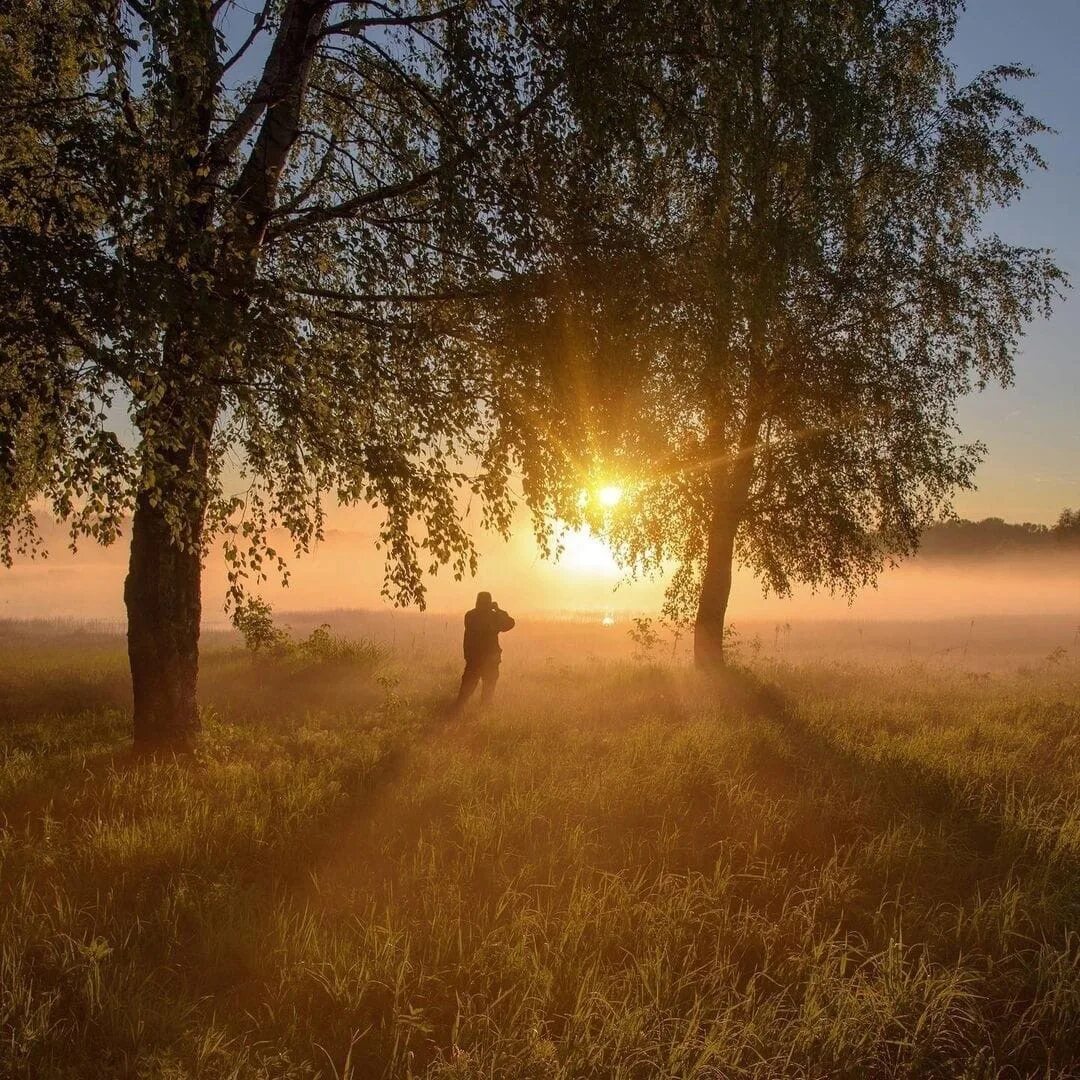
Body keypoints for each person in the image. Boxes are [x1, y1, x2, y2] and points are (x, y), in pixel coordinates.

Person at [454, 591, 515, 711]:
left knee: (466, 690)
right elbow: (510, 623)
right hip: (490, 658)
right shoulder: (494, 617)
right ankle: (481, 713)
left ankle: (456, 712)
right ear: (490, 602)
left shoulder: (470, 615)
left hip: (474, 658)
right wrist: (498, 610)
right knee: (488, 689)